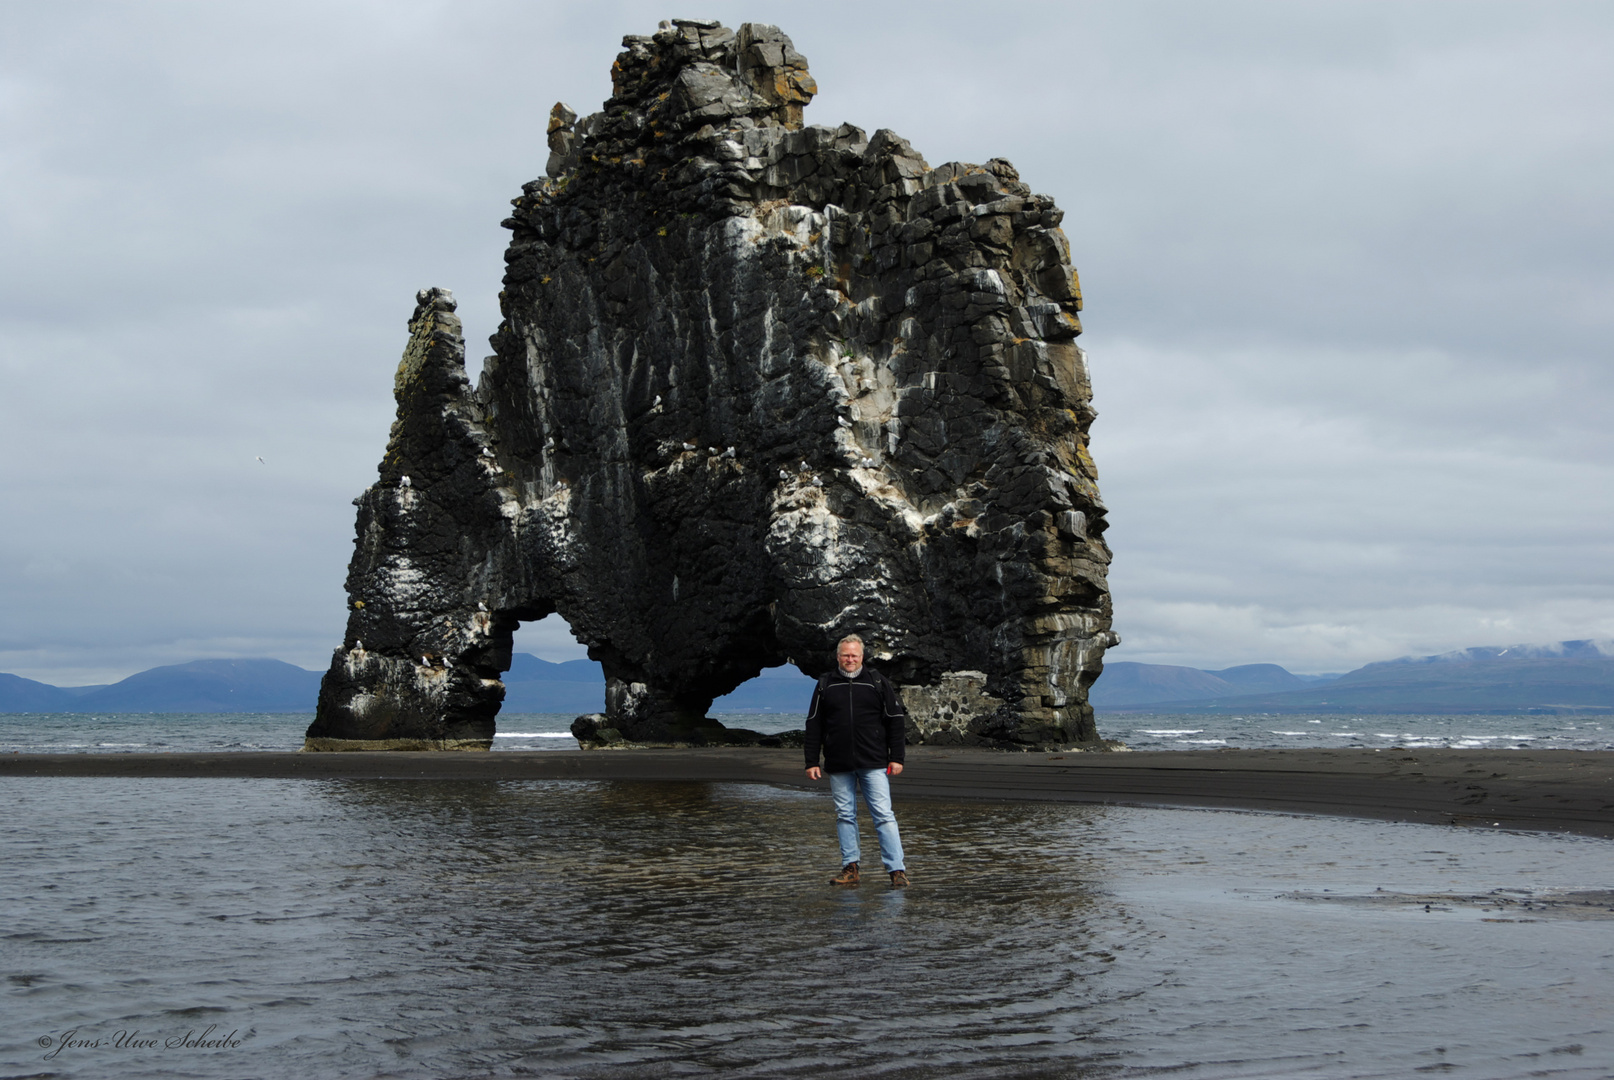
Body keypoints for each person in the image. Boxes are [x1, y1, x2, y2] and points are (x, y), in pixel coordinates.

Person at [804, 634, 909, 887]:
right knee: (844, 815)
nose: (850, 659)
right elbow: (814, 724)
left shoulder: (877, 682)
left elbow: (895, 720)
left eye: (854, 655)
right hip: (838, 763)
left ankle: (897, 871)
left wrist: (897, 757)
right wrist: (811, 761)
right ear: (838, 657)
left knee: (884, 815)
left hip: (873, 761)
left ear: (862, 657)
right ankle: (850, 868)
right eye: (845, 655)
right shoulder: (825, 684)